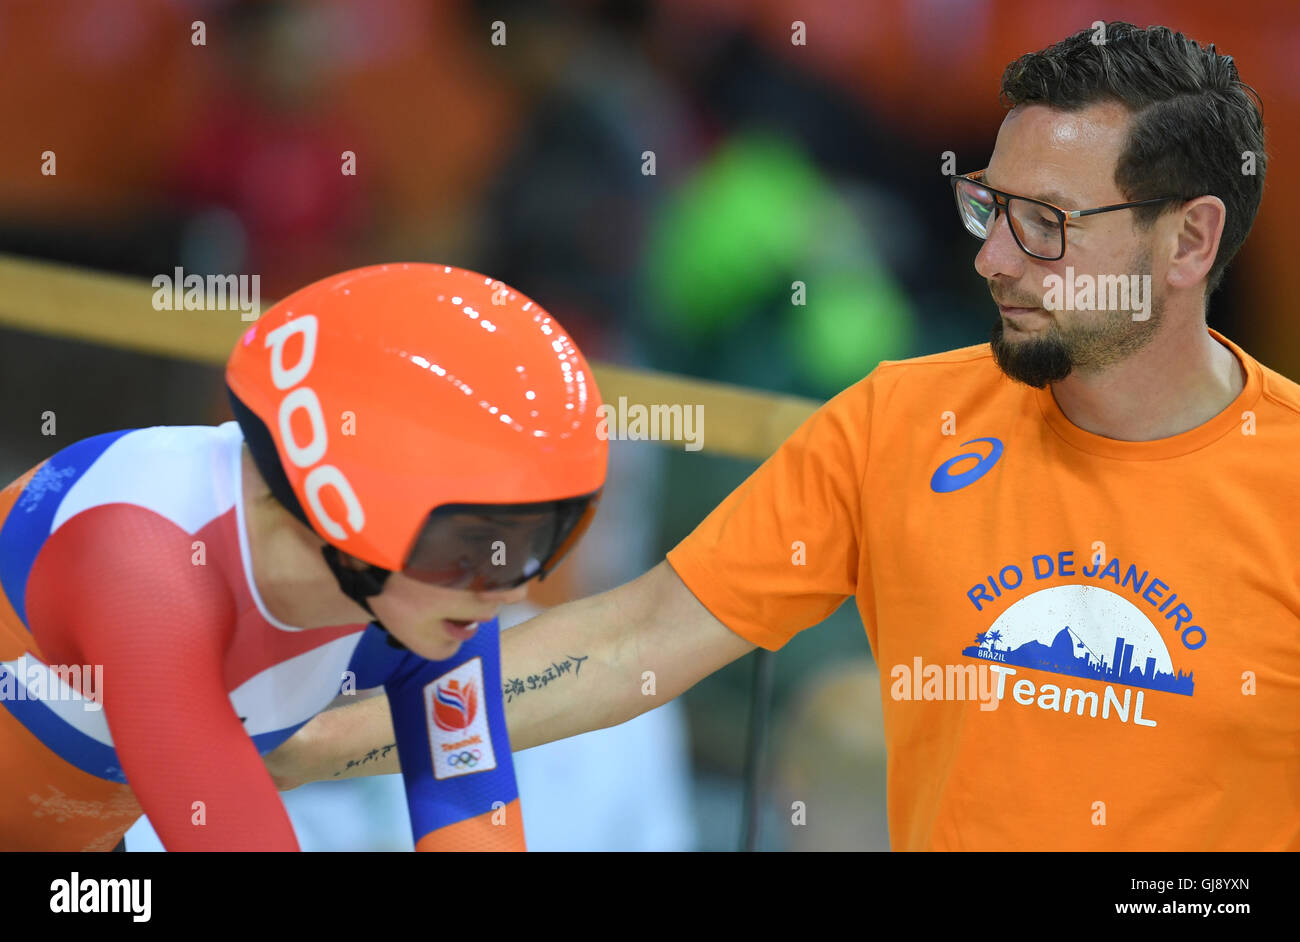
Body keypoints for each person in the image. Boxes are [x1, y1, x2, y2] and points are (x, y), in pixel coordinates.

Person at [273, 22, 1299, 851]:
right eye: (987, 206)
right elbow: (631, 641)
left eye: (1047, 222)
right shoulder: (900, 422)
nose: (992, 258)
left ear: (1189, 239)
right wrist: (312, 742)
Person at [0, 262, 606, 851]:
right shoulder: (142, 565)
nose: (510, 589)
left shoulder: (427, 599)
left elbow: (475, 824)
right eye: (476, 544)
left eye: (539, 543)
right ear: (352, 507)